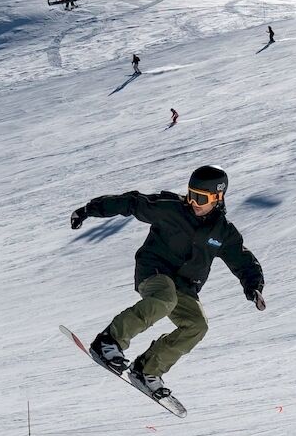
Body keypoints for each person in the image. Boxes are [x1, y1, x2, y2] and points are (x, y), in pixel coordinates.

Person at [68, 165, 266, 399]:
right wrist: (88, 210)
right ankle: (109, 341)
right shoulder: (171, 209)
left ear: (218, 197)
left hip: (185, 285)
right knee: (164, 298)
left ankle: (147, 369)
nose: (193, 202)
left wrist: (253, 287)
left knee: (197, 325)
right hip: (154, 271)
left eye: (200, 198)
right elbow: (132, 202)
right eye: (191, 194)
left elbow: (242, 260)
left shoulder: (223, 233)